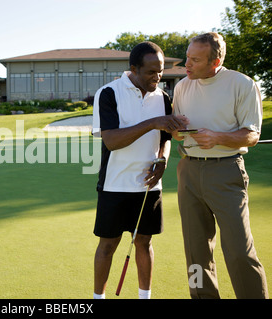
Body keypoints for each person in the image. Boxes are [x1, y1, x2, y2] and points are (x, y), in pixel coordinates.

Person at [172, 32, 268, 299]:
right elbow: (177, 131)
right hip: (189, 172)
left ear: (215, 61)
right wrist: (178, 132)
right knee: (195, 252)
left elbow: (252, 134)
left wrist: (217, 137)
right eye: (187, 57)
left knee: (239, 251)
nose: (187, 65)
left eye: (195, 60)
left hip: (226, 171)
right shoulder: (182, 87)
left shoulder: (242, 84)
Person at [92, 42, 188, 299]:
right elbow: (111, 141)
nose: (158, 77)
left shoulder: (164, 97)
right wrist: (153, 122)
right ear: (133, 68)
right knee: (108, 245)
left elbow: (166, 136)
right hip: (115, 184)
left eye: (160, 71)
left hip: (149, 186)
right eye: (151, 72)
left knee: (144, 243)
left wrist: (163, 160)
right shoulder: (109, 93)